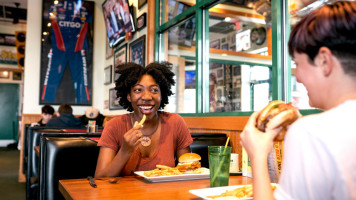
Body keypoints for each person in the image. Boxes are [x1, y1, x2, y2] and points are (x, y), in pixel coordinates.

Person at [240, 1, 356, 199]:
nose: (298, 76)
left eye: (297, 63)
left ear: (324, 61)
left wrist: (257, 156)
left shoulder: (311, 132)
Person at [95, 62, 193, 177]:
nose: (147, 97)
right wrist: (125, 151)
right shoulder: (114, 126)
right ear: (128, 96)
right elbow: (100, 179)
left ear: (162, 95)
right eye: (138, 90)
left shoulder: (175, 123)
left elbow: (189, 172)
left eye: (154, 90)